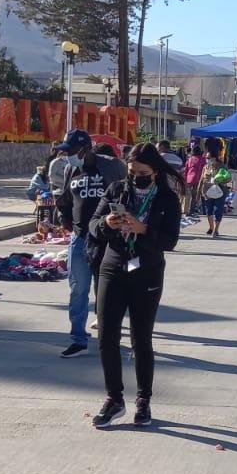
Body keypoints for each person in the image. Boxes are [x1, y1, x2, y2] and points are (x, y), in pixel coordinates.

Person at [87, 142, 183, 428]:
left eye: (141, 172)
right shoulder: (117, 189)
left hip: (147, 272)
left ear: (155, 171)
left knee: (141, 339)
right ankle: (114, 398)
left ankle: (144, 400)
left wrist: (144, 230)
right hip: (113, 267)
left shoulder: (167, 198)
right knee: (106, 337)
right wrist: (107, 223)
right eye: (131, 171)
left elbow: (170, 241)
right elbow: (92, 225)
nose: (135, 176)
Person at [54, 129, 124, 356]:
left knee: (106, 290)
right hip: (80, 238)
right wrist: (65, 218)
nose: (68, 155)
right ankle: (78, 338)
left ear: (84, 148)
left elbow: (125, 192)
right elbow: (65, 199)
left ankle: (109, 336)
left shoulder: (111, 166)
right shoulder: (70, 169)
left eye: (71, 151)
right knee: (78, 289)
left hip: (107, 239)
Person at [200, 151, 233, 237]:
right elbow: (202, 179)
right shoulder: (206, 167)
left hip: (220, 191)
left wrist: (220, 181)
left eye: (208, 158)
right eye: (206, 158)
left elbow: (229, 179)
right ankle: (211, 227)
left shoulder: (222, 167)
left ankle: (216, 229)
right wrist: (198, 192)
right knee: (208, 210)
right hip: (207, 191)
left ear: (214, 158)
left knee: (218, 209)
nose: (207, 160)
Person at [183, 144, 206, 214]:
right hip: (198, 179)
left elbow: (186, 169)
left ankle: (185, 210)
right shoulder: (203, 159)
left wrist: (185, 179)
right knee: (194, 196)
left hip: (189, 178)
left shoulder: (190, 159)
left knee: (187, 195)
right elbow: (204, 169)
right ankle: (191, 210)